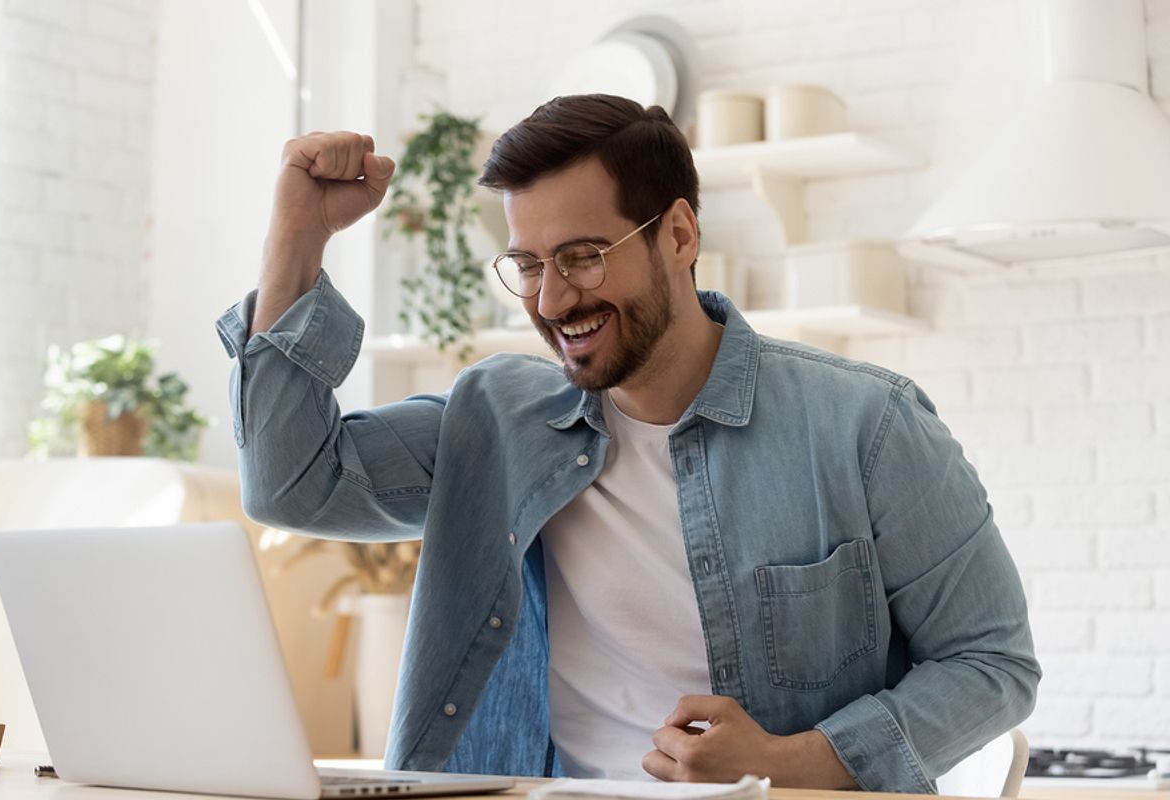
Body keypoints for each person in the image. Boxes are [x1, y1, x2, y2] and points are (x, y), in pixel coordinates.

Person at [216, 94, 1040, 793]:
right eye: (529, 264)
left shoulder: (868, 425)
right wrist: (298, 237)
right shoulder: (496, 419)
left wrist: (790, 763)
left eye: (581, 256)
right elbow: (290, 485)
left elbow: (992, 663)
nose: (553, 296)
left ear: (678, 235)